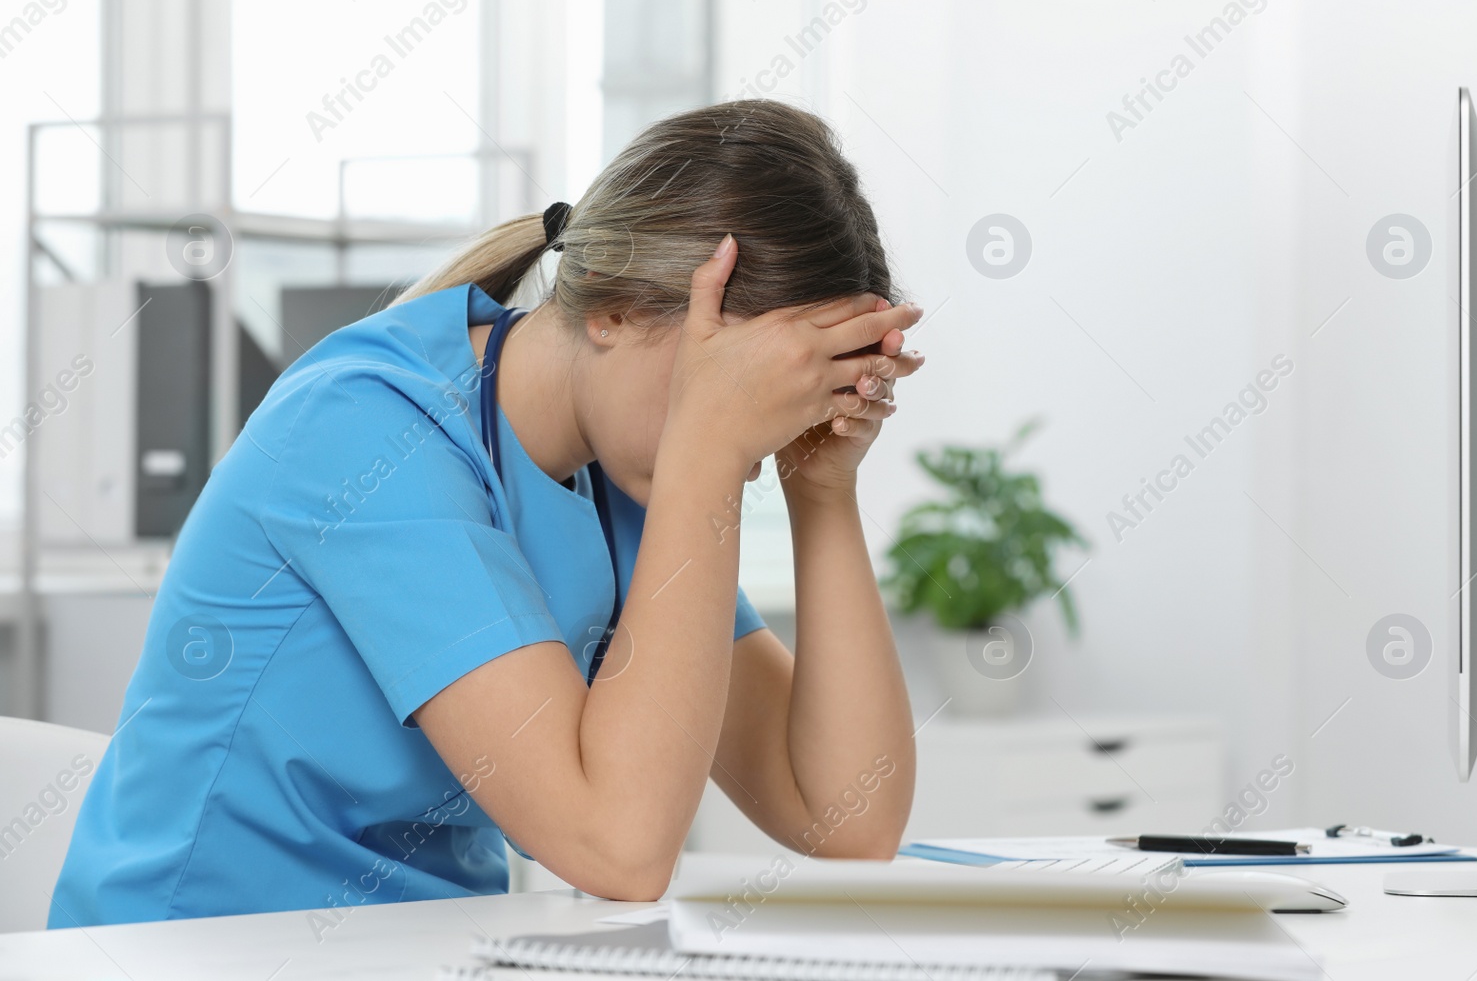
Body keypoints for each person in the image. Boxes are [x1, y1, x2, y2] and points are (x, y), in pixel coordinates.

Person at [50, 99, 924, 926]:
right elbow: (617, 850)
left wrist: (821, 489)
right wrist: (711, 445)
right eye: (737, 383)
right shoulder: (366, 429)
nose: (746, 426)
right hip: (190, 949)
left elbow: (847, 819)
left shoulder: (626, 482)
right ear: (617, 307)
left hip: (418, 948)